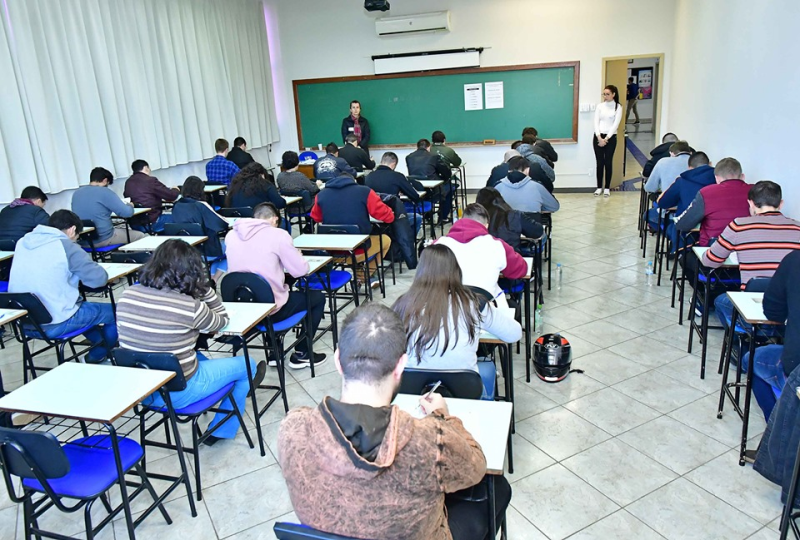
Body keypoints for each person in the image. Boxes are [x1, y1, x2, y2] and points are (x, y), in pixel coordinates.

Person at [278, 302, 511, 540]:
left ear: (338, 360)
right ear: (401, 365)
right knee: (498, 488)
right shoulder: (430, 442)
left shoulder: (292, 430)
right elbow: (476, 466)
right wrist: (445, 417)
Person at [116, 239, 266, 445]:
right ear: (191, 271)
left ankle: (228, 392)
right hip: (179, 390)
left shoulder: (126, 296)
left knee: (200, 357)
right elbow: (221, 321)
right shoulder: (189, 306)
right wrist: (204, 289)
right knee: (247, 366)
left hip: (142, 389)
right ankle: (220, 430)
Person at [393, 244, 522, 399]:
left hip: (414, 393)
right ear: (455, 271)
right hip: (465, 392)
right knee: (487, 368)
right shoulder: (473, 303)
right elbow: (514, 334)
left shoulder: (402, 305)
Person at [225, 202, 326, 369]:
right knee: (317, 297)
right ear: (274, 219)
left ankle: (274, 352)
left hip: (244, 307)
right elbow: (301, 271)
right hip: (271, 309)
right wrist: (297, 256)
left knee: (268, 289)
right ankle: (302, 353)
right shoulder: (278, 235)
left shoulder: (231, 235)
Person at [9, 210, 116, 362]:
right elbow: (98, 280)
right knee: (119, 311)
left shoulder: (23, 242)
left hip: (24, 322)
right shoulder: (65, 245)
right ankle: (97, 354)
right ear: (72, 230)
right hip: (56, 321)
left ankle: (100, 342)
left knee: (86, 309)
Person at [703, 181, 800, 328]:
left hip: (751, 307)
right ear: (781, 204)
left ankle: (741, 343)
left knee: (720, 301)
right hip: (789, 309)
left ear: (751, 203)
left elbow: (710, 261)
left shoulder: (739, 225)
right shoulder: (797, 228)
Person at [310, 171, 394, 288]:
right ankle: (363, 275)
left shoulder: (321, 194)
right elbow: (388, 217)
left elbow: (316, 217)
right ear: (354, 181)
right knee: (385, 240)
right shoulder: (365, 191)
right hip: (359, 250)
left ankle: (360, 272)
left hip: (332, 251)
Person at [436, 203, 527, 308]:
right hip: (486, 309)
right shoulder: (497, 245)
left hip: (447, 310)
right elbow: (520, 269)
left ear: (461, 220)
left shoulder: (438, 245)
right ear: (487, 225)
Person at [675, 157, 752, 247]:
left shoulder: (706, 193)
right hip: (747, 246)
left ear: (717, 178)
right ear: (742, 176)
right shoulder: (755, 191)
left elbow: (684, 224)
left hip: (714, 247)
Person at [655, 151, 716, 251]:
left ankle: (676, 250)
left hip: (686, 229)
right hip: (711, 232)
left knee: (668, 226)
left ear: (689, 167)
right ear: (710, 164)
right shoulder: (718, 180)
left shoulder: (682, 180)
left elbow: (663, 203)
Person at [71, 167, 146, 247]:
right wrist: (130, 205)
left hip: (83, 240)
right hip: (104, 238)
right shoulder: (104, 192)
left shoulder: (77, 193)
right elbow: (127, 213)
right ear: (105, 180)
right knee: (141, 236)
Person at [365, 152, 424, 235]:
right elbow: (414, 196)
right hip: (392, 216)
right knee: (417, 218)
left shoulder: (368, 177)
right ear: (393, 164)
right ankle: (406, 242)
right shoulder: (397, 176)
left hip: (373, 217)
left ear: (382, 162)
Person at [171, 176, 229, 259]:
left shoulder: (177, 205)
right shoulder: (201, 205)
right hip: (206, 250)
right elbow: (221, 225)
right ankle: (215, 272)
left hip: (185, 251)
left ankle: (212, 271)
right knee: (234, 247)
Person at [475, 187, 544, 253]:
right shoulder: (514, 215)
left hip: (482, 260)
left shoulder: (473, 219)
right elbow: (537, 232)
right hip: (510, 260)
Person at [123, 159, 179, 232]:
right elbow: (171, 196)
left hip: (134, 224)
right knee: (181, 218)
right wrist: (176, 189)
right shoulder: (150, 180)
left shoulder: (128, 182)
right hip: (152, 222)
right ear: (146, 168)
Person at [406, 139, 453, 224]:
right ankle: (443, 217)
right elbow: (445, 171)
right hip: (433, 190)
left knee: (428, 196)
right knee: (450, 188)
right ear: (429, 147)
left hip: (417, 189)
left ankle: (428, 215)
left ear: (417, 147)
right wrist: (445, 178)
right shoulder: (434, 156)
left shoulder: (409, 157)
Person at [495, 156, 560, 216]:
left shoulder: (498, 187)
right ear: (528, 170)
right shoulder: (537, 186)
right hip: (532, 226)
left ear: (508, 170)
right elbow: (554, 207)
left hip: (505, 227)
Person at [593, 84, 623, 197]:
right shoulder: (600, 106)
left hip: (610, 138)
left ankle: (607, 188)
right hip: (598, 137)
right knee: (599, 163)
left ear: (613, 94)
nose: (605, 96)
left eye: (607, 94)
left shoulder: (618, 107)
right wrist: (599, 137)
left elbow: (616, 124)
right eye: (604, 94)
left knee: (608, 162)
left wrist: (606, 139)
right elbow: (596, 122)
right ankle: (599, 187)